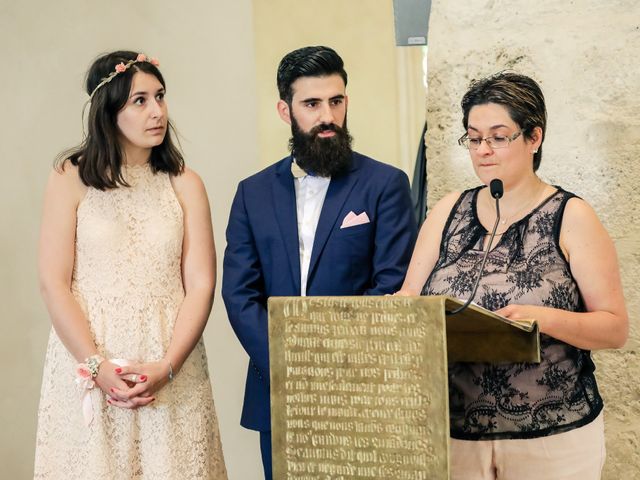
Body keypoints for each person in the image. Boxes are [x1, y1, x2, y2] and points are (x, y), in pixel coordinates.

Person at [397, 72, 628, 479]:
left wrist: (542, 320)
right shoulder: (448, 212)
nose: (483, 150)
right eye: (473, 137)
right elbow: (411, 301)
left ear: (534, 138)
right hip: (454, 434)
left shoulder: (572, 216)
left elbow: (614, 328)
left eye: (498, 137)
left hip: (551, 439)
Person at [222, 45, 417, 479]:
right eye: (312, 103)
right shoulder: (251, 194)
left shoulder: (386, 184)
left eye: (336, 101)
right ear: (284, 109)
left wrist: (331, 363)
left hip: (361, 389)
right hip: (279, 391)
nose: (327, 115)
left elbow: (391, 283)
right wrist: (289, 364)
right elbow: (239, 295)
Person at [34, 50, 227, 479]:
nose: (157, 111)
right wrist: (96, 366)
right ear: (109, 109)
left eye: (160, 96)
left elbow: (201, 284)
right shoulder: (71, 177)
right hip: (90, 358)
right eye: (140, 100)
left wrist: (168, 365)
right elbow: (54, 282)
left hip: (170, 363)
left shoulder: (185, 183)